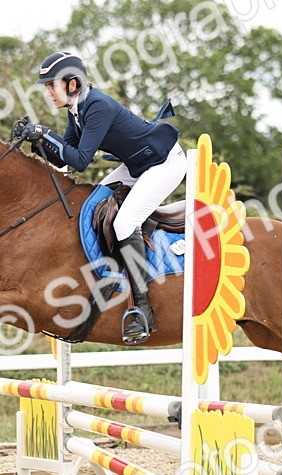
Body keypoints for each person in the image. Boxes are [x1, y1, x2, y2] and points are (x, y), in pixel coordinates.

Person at [16, 51, 185, 345]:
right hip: (137, 165)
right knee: (92, 204)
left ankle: (142, 309)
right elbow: (63, 161)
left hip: (163, 164)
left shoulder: (97, 106)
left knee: (124, 223)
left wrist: (44, 132)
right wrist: (38, 140)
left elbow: (80, 160)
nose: (48, 92)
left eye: (50, 85)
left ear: (71, 84)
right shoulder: (77, 109)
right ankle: (109, 275)